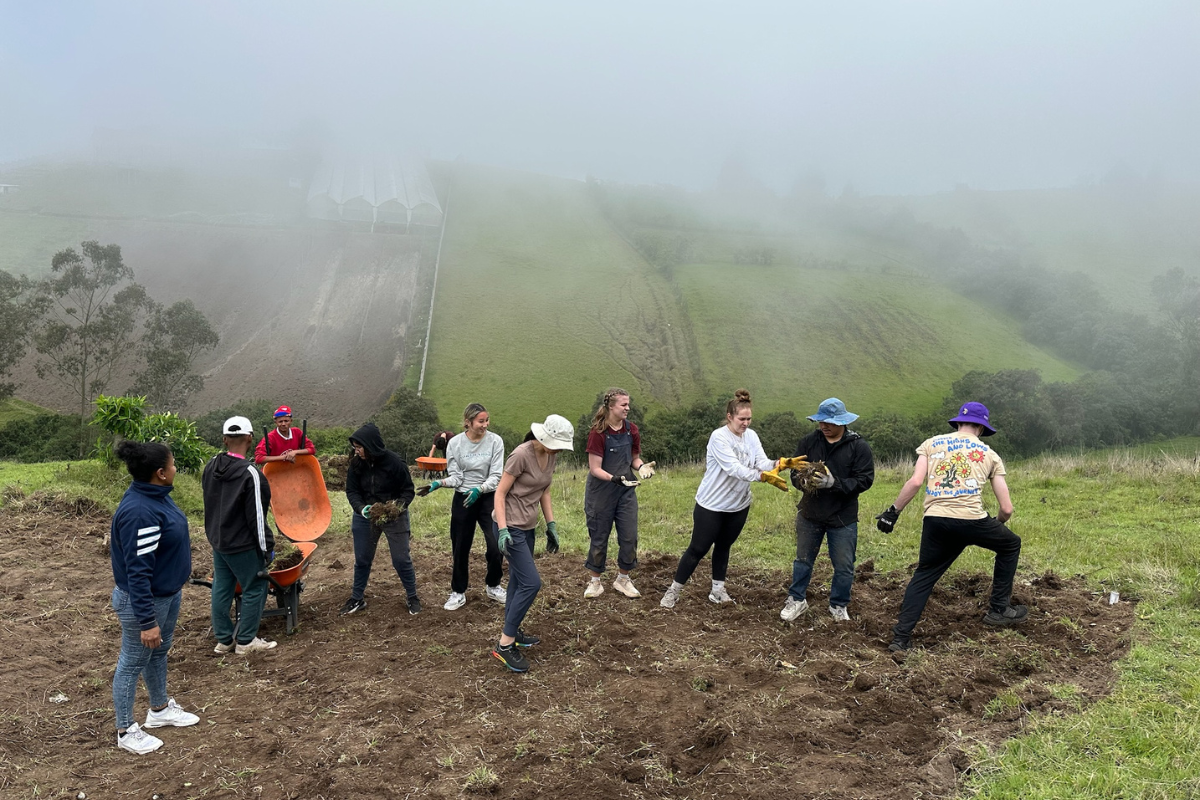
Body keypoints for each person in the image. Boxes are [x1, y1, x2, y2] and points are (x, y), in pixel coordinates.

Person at [875, 402, 1026, 653]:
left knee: (924, 575)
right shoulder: (990, 455)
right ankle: (999, 609)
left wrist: (893, 512)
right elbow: (1006, 509)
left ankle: (900, 639)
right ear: (981, 427)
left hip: (935, 520)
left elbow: (915, 482)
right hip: (973, 520)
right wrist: (992, 527)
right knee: (1011, 544)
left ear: (958, 423)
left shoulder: (931, 443)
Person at [109, 440, 200, 755]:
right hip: (144, 603)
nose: (176, 469)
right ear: (161, 473)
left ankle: (159, 710)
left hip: (167, 595)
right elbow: (138, 572)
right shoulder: (140, 511)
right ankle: (125, 729)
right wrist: (147, 620)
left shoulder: (155, 496)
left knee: (158, 653)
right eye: (173, 464)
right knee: (132, 662)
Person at [660, 389, 789, 609]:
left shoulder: (752, 436)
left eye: (749, 419)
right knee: (698, 548)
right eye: (741, 419)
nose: (745, 423)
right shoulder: (719, 437)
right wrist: (762, 477)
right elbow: (734, 468)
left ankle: (717, 590)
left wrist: (779, 464)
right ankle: (673, 591)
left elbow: (761, 462)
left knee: (723, 546)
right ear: (730, 417)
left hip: (738, 504)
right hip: (712, 504)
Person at [490, 414, 574, 672]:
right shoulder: (520, 455)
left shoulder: (551, 455)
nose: (559, 449)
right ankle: (504, 646)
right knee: (531, 583)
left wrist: (551, 525)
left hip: (527, 527)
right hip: (509, 527)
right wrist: (503, 530)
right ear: (544, 437)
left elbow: (544, 490)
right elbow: (500, 493)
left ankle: (513, 632)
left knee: (517, 580)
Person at [780, 398, 875, 623]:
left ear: (842, 422)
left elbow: (864, 480)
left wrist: (834, 483)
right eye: (821, 421)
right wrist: (802, 482)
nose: (824, 426)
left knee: (843, 566)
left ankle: (838, 605)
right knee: (802, 560)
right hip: (810, 514)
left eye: (829, 422)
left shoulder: (858, 446)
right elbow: (795, 471)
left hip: (843, 517)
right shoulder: (809, 442)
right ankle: (797, 599)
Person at [416, 403, 507, 611]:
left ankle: (493, 585)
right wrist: (438, 483)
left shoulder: (495, 442)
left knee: (495, 544)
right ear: (468, 422)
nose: (485, 425)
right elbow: (456, 477)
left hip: (487, 497)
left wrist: (480, 489)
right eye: (480, 421)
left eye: (486, 421)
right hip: (463, 498)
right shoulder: (455, 444)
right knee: (460, 546)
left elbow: (496, 476)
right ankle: (458, 592)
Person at [202, 416, 277, 654]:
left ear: (224, 440)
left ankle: (224, 639)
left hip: (219, 541)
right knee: (255, 587)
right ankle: (246, 641)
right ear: (250, 438)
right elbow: (256, 516)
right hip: (242, 545)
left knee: (222, 587)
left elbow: (209, 501)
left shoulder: (211, 465)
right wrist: (267, 547)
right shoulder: (250, 473)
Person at [341, 422, 420, 616]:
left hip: (394, 516)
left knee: (401, 559)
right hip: (366, 516)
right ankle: (357, 598)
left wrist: (396, 508)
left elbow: (408, 491)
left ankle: (412, 597)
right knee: (362, 559)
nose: (356, 451)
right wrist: (361, 509)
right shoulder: (356, 463)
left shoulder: (395, 463)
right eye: (355, 447)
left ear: (370, 446)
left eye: (359, 447)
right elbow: (352, 490)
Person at [583, 388, 655, 599]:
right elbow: (595, 468)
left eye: (628, 404)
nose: (627, 408)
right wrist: (613, 478)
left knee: (629, 536)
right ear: (611, 407)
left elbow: (634, 457)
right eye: (623, 405)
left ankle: (623, 579)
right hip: (601, 492)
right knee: (599, 536)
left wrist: (641, 467)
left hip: (626, 491)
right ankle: (595, 582)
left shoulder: (631, 430)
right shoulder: (598, 433)